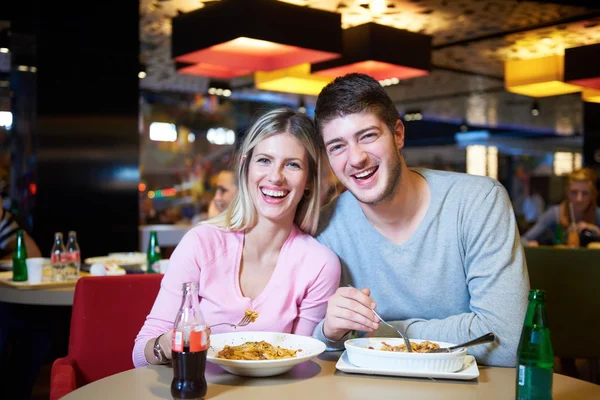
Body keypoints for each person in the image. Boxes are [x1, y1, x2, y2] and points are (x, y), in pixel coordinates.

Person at [310, 73, 529, 367]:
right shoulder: (326, 229)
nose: (356, 158)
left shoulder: (478, 202)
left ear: (398, 134)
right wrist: (330, 332)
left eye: (368, 136)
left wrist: (383, 333)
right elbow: (319, 349)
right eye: (337, 146)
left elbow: (506, 342)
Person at [133, 108, 341, 367]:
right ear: (245, 167)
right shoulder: (201, 243)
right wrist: (167, 343)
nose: (275, 176)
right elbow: (141, 355)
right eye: (264, 160)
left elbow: (303, 363)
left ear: (309, 179)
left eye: (292, 164)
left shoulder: (319, 264)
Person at [522, 167, 600, 246]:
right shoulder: (554, 214)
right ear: (567, 193)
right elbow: (523, 240)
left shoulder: (597, 214)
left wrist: (596, 230)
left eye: (585, 193)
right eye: (574, 192)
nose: (579, 199)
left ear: (593, 194)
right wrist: (532, 245)